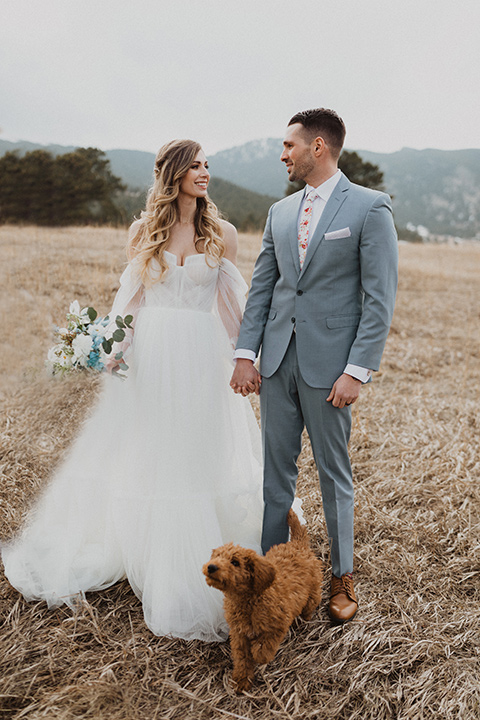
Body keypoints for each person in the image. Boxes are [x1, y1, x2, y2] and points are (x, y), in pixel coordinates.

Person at [2, 139, 264, 642]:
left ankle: (201, 554)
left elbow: (234, 306)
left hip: (201, 354)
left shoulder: (223, 235)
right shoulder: (144, 231)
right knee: (151, 448)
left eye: (208, 164)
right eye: (195, 165)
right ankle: (147, 548)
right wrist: (111, 345)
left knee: (196, 449)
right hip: (153, 355)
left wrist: (245, 357)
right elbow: (133, 298)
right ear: (173, 173)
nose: (205, 172)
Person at [230, 108, 398, 624]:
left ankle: (342, 576)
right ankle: (267, 581)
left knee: (333, 474)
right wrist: (245, 353)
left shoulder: (371, 208)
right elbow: (263, 288)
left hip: (331, 371)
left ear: (318, 147)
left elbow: (379, 299)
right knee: (273, 477)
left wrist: (358, 370)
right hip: (276, 364)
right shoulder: (280, 213)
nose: (283, 155)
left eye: (289, 146)